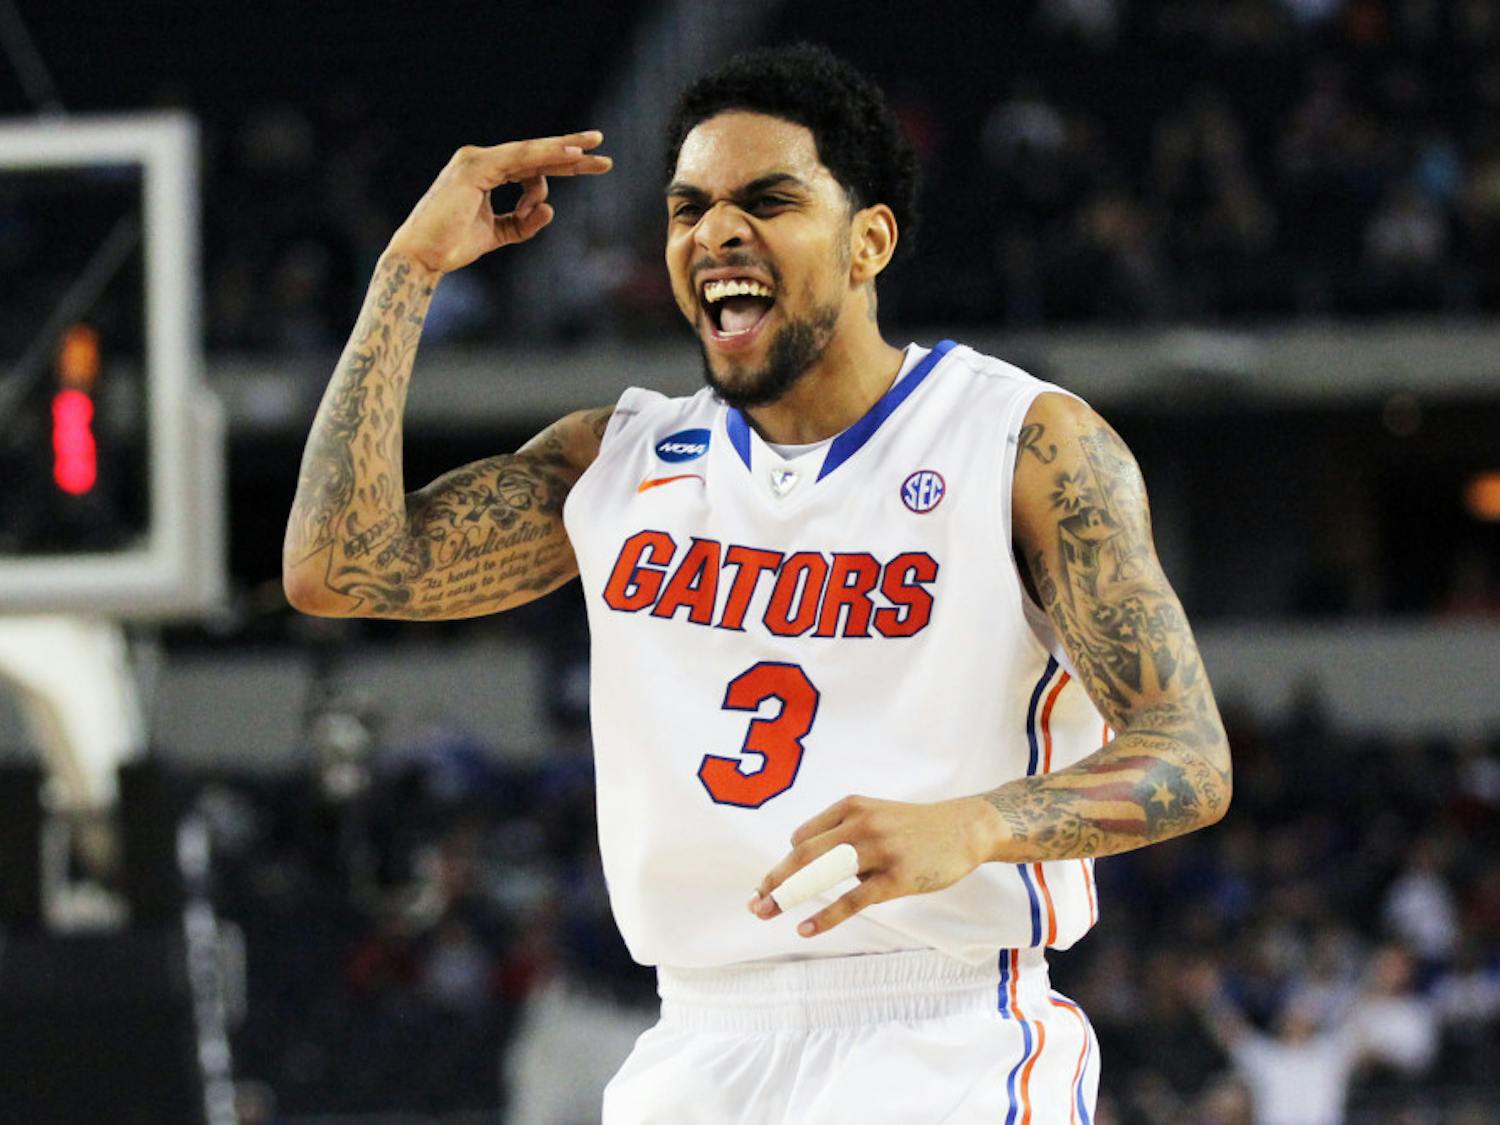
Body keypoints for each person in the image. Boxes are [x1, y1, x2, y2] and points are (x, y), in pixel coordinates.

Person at [284, 43, 1232, 1124]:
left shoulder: (1022, 440)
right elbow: (337, 567)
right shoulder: (619, 459)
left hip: (941, 1036)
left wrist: (975, 825)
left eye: (768, 200)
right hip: (693, 1045)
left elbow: (1188, 756)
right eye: (689, 208)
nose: (715, 233)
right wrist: (407, 269)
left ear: (869, 239)